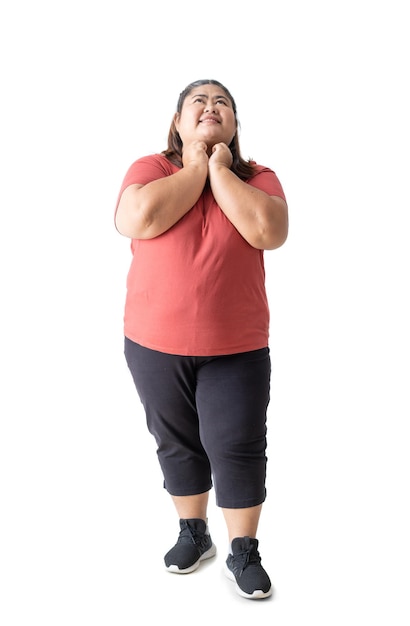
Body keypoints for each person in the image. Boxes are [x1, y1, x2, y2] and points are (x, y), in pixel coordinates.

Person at [114, 79, 288, 599]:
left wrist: (217, 169)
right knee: (178, 441)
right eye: (199, 101)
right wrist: (193, 168)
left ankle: (243, 552)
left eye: (223, 103)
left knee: (236, 446)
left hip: (235, 347)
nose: (211, 107)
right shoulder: (151, 169)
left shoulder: (258, 177)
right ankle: (194, 533)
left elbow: (268, 231)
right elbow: (137, 218)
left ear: (234, 126)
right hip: (152, 343)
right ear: (176, 121)